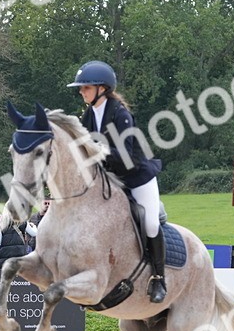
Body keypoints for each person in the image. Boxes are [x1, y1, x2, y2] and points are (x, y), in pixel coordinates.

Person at [70, 60, 168, 303]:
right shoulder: (88, 116)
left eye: (86, 87)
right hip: (111, 179)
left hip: (136, 176)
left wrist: (95, 148)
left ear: (102, 88)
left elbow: (125, 155)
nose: (81, 91)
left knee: (150, 223)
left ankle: (159, 278)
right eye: (81, 88)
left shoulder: (120, 114)